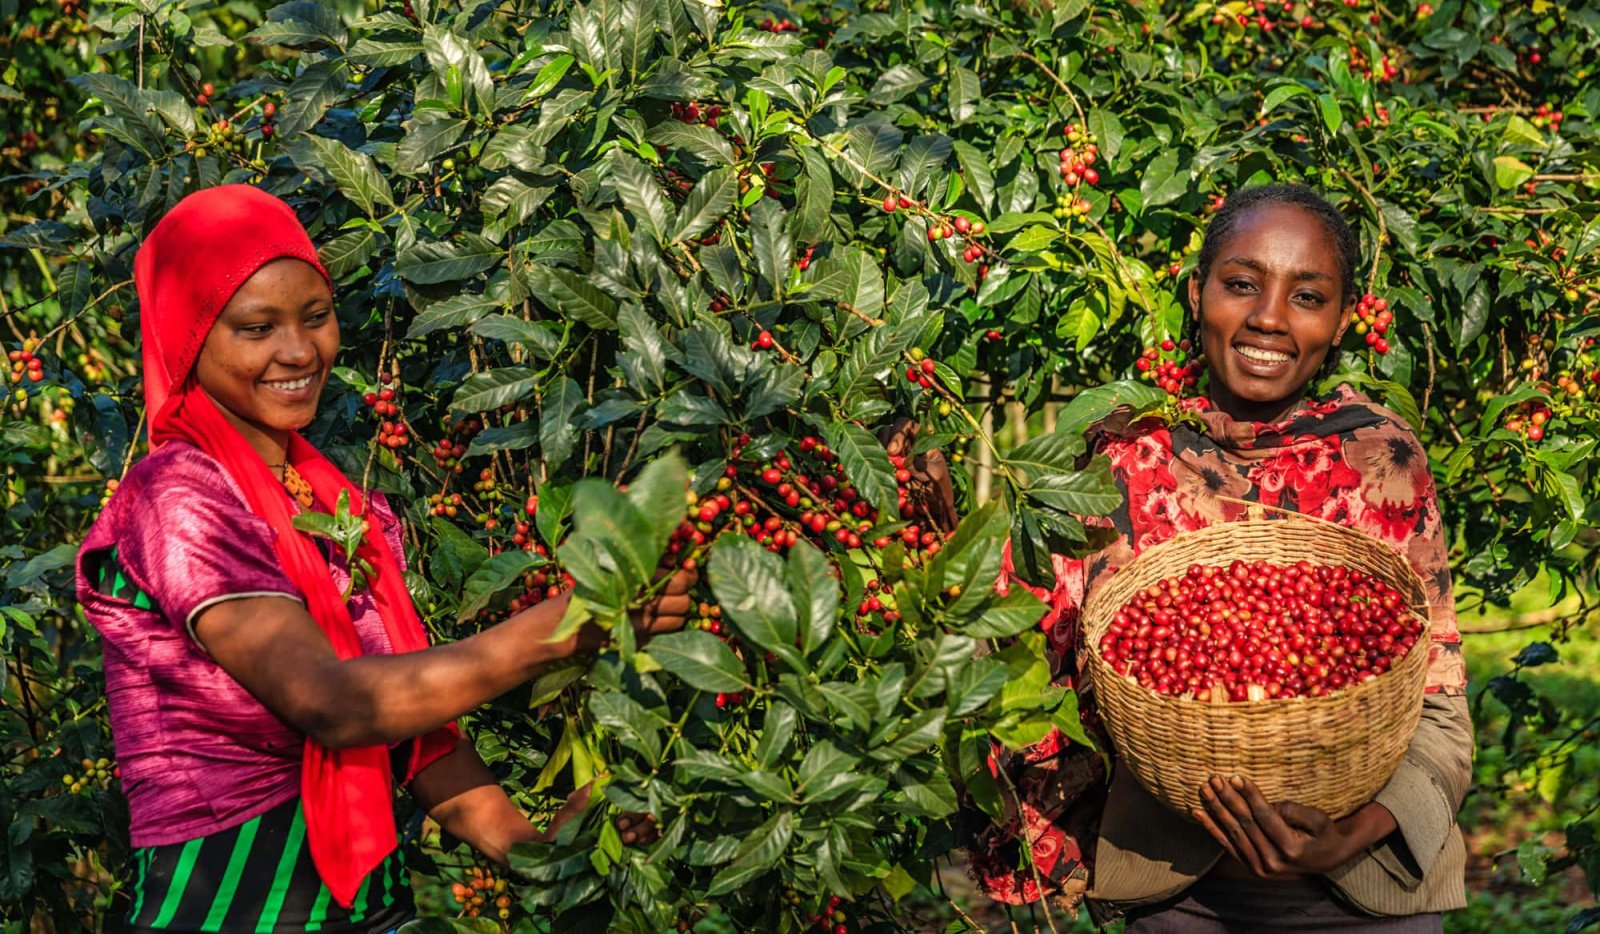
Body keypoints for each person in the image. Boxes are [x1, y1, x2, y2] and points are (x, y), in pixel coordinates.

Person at [75, 185, 694, 933]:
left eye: (316, 317)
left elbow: (408, 730)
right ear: (189, 338)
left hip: (368, 910)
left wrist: (545, 854)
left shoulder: (334, 501)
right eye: (255, 327)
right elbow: (334, 704)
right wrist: (560, 629)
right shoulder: (177, 497)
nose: (299, 352)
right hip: (226, 909)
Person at [967, 184, 1470, 931]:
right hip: (1178, 896)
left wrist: (1348, 835)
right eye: (1241, 284)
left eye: (1307, 296)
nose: (1268, 317)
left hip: (1366, 896)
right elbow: (1026, 675)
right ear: (1198, 292)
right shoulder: (1120, 460)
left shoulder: (1380, 458)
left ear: (1339, 323)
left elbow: (1440, 708)